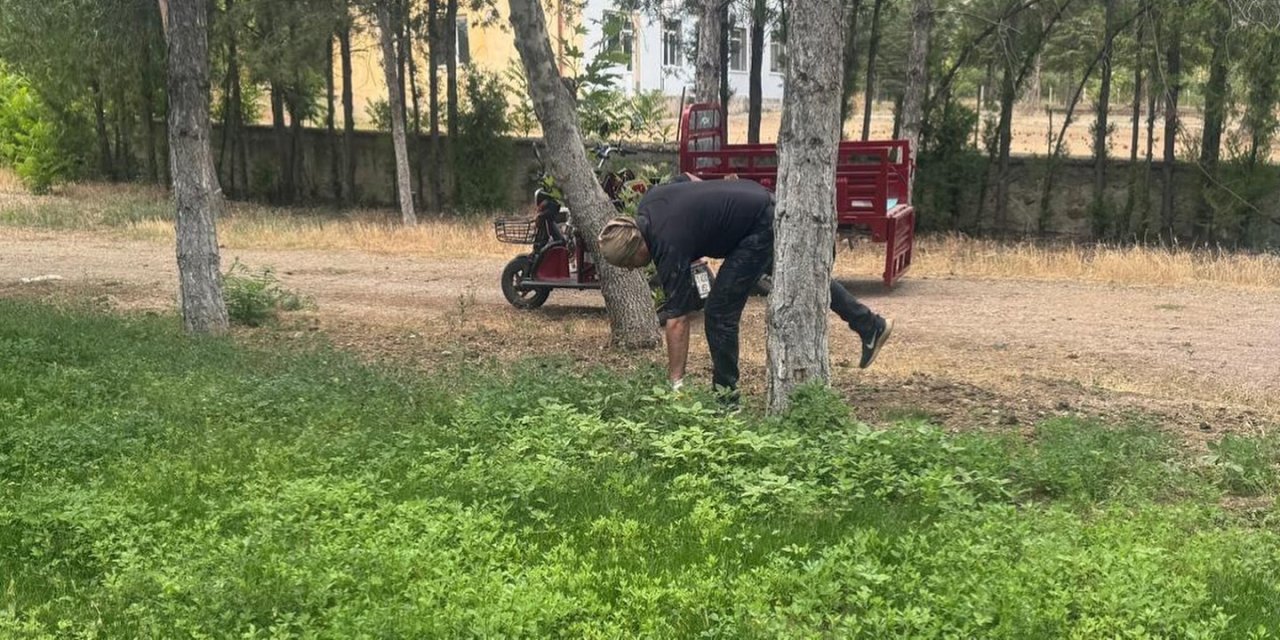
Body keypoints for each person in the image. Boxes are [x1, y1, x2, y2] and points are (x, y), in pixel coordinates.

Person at [597, 178, 894, 401]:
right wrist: (707, 222)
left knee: (718, 312)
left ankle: (727, 399)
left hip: (758, 225)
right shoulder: (651, 201)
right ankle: (870, 325)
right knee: (802, 279)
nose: (635, 269)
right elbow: (689, 180)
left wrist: (675, 384)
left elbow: (677, 320)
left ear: (637, 247)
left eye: (630, 264)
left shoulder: (666, 246)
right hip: (757, 202)